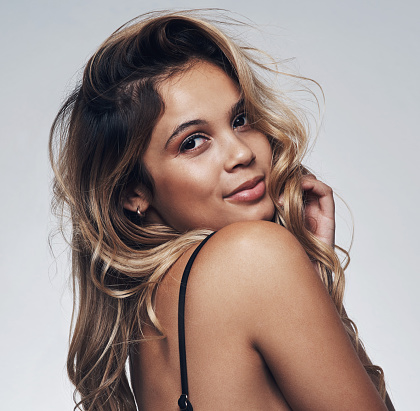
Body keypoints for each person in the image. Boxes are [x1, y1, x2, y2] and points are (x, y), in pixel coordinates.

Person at [50, 10, 394, 411]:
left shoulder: (151, 320)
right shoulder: (252, 255)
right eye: (193, 142)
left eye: (241, 119)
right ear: (132, 192)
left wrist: (315, 287)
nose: (242, 152)